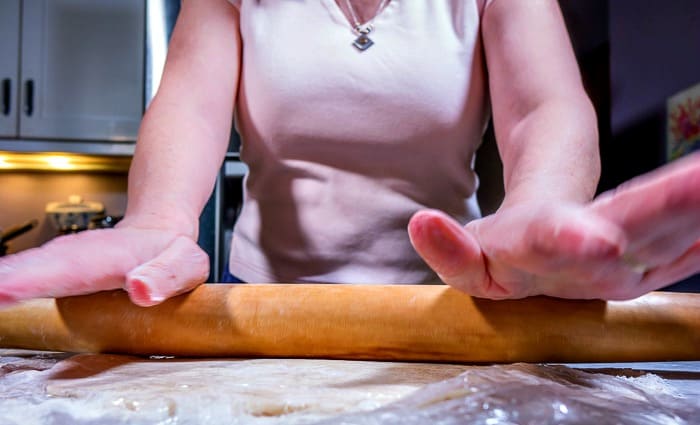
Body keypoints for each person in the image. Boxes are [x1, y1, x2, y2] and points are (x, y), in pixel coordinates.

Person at [1, 0, 699, 309]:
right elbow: (187, 100)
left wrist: (543, 201)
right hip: (262, 310)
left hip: (449, 305)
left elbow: (547, 106)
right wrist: (157, 219)